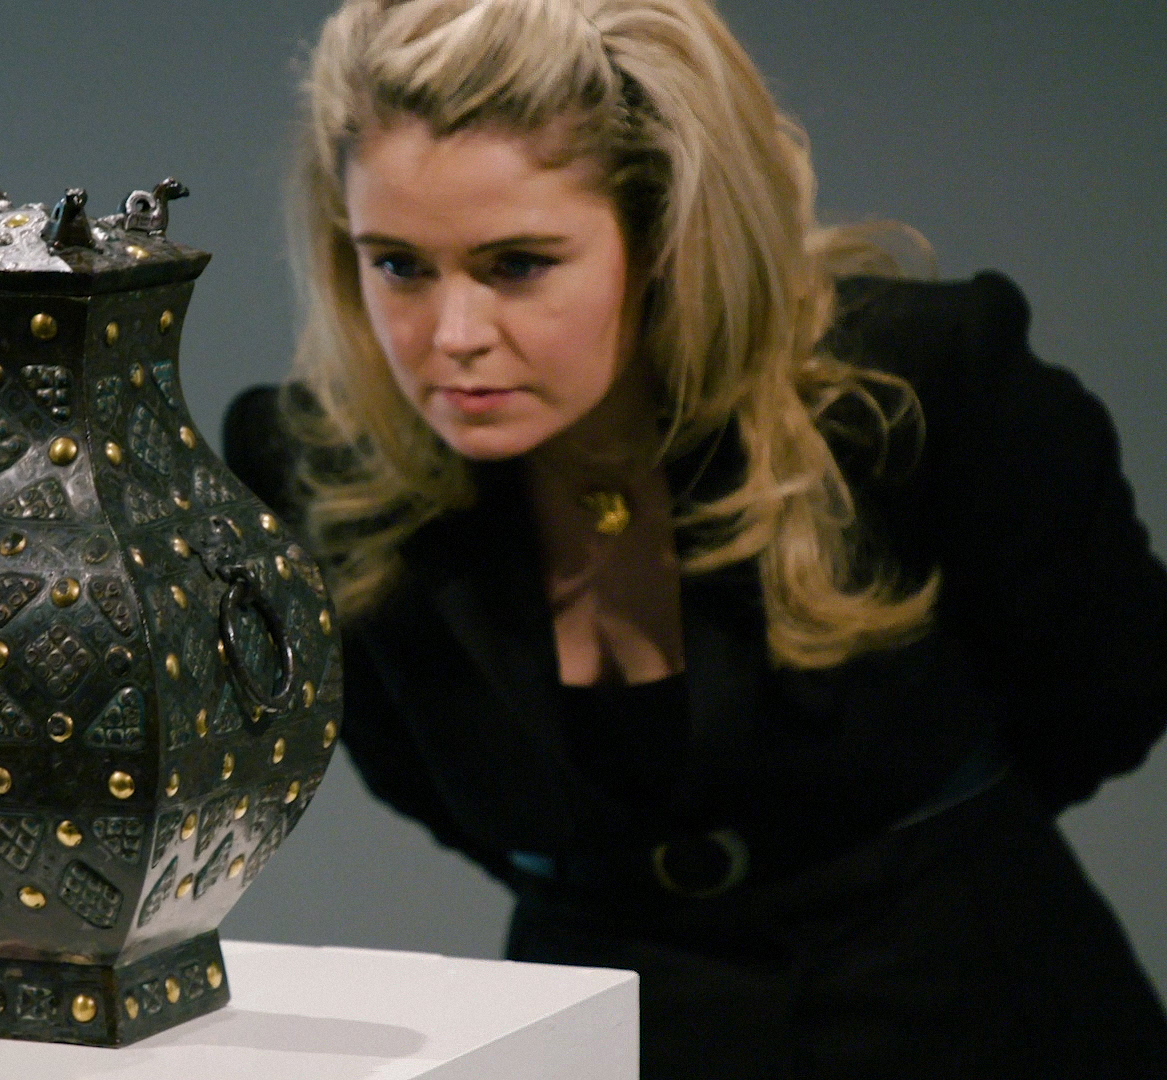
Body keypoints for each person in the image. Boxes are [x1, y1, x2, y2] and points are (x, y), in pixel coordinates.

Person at [219, 0, 1167, 1075]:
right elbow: (438, 788)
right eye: (397, 265)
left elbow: (1108, 692)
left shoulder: (911, 393)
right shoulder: (312, 477)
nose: (453, 336)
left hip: (971, 1006)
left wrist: (901, 862)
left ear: (669, 236)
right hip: (605, 1018)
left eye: (518, 264)